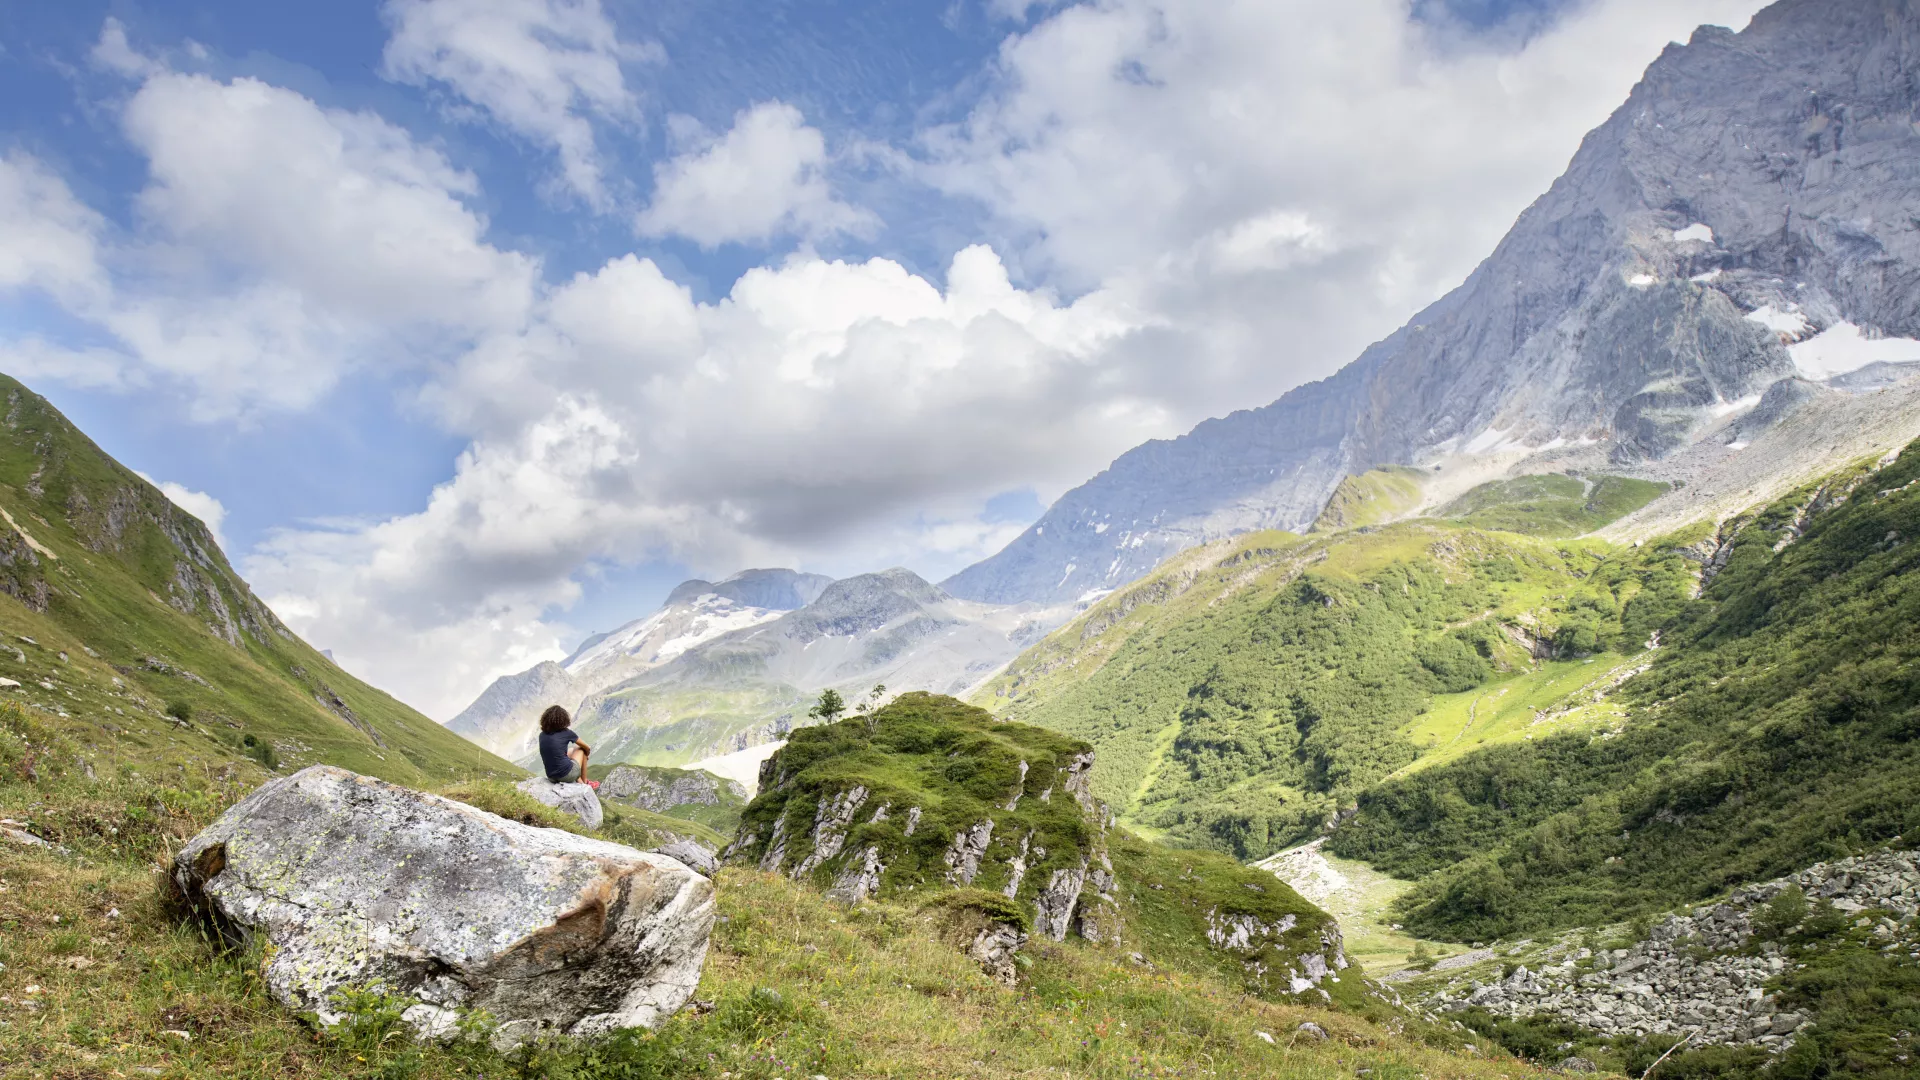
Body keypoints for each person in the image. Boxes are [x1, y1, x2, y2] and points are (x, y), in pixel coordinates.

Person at [537, 704, 597, 789]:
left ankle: (580, 782)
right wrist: (585, 756)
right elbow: (587, 747)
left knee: (570, 751)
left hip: (551, 777)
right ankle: (585, 783)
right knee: (580, 749)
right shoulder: (566, 733)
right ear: (563, 720)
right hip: (565, 776)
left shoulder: (542, 735)